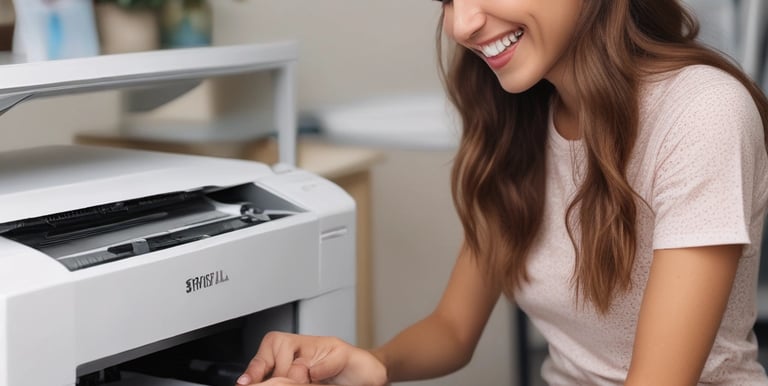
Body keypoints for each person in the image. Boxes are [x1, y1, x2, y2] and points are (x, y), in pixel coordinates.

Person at [236, 0, 768, 384]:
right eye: (447, 0)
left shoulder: (702, 112)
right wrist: (373, 363)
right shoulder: (520, 121)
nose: (461, 24)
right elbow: (453, 328)